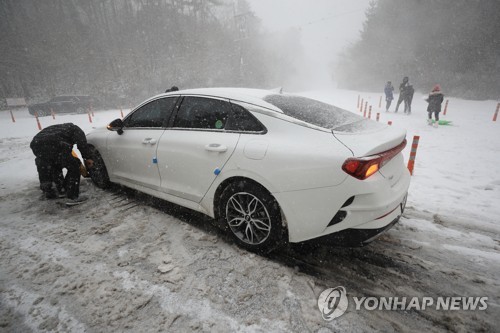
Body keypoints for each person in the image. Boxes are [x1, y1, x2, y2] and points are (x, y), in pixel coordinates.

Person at [30, 123, 94, 205]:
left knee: (52, 165)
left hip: (36, 144)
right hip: (56, 143)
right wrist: (88, 157)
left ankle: (56, 190)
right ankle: (72, 196)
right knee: (74, 167)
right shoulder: (77, 130)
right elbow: (82, 145)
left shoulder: (60, 128)